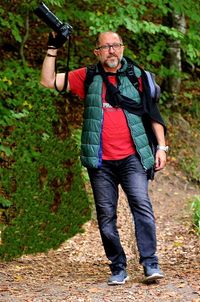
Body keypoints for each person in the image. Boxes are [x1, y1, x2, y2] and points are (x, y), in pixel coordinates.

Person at [40, 31, 168, 285]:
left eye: (116, 46)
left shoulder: (137, 76)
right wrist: (52, 48)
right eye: (106, 47)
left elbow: (153, 112)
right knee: (106, 216)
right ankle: (118, 266)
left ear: (122, 48)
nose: (112, 51)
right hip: (101, 163)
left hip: (132, 157)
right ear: (97, 52)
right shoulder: (87, 76)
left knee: (142, 206)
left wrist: (161, 147)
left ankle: (150, 263)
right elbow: (48, 81)